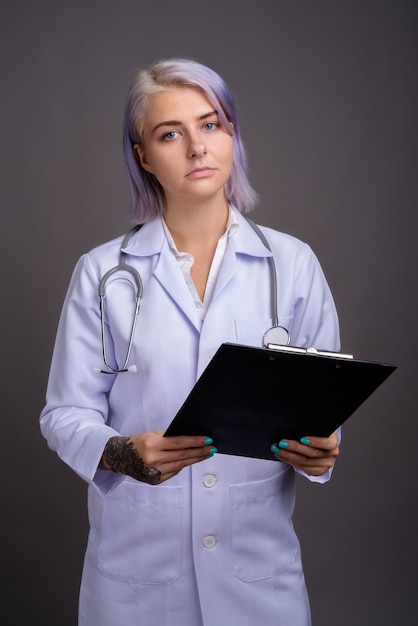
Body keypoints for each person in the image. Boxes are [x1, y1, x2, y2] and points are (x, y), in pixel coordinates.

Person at [40, 57, 341, 626]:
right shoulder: (103, 273)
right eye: (170, 134)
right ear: (143, 156)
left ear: (232, 135)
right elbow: (65, 413)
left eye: (211, 124)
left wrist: (320, 448)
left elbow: (320, 407)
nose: (197, 148)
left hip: (257, 577)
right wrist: (121, 454)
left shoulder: (293, 265)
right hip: (138, 579)